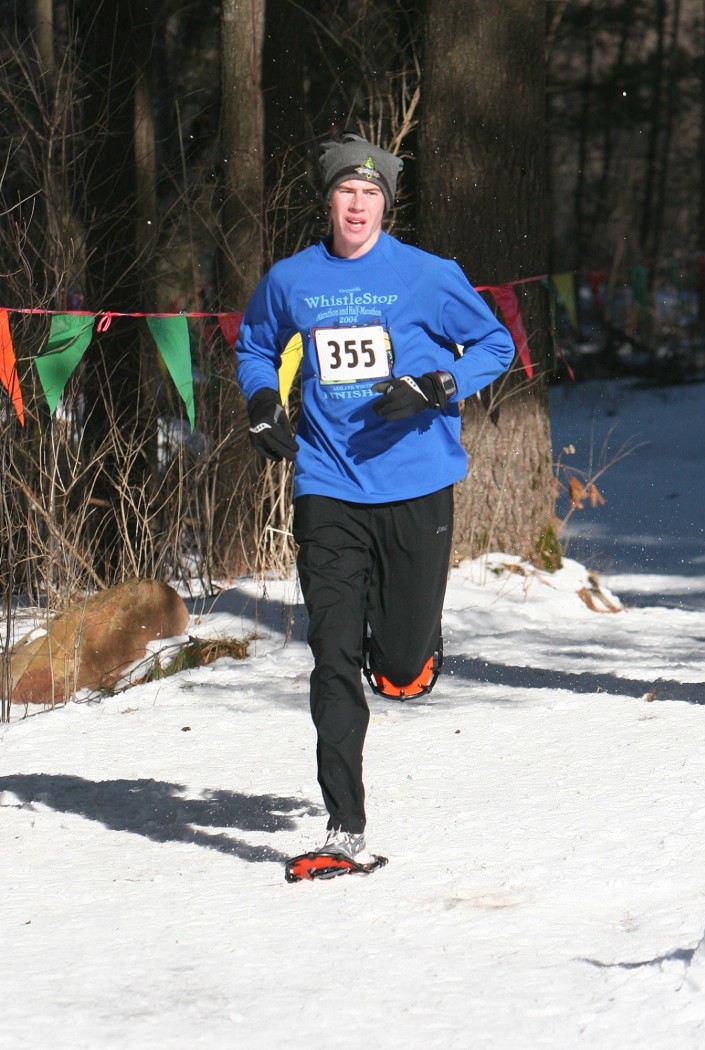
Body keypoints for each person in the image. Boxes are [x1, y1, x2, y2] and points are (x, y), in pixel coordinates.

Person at [235, 133, 515, 865]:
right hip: (326, 484)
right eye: (345, 192)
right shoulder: (292, 278)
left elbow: (495, 345)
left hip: (416, 486)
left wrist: (436, 386)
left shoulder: (428, 275)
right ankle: (345, 826)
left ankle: (404, 654)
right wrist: (264, 401)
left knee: (396, 669)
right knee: (331, 653)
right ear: (327, 199)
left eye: (371, 194)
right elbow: (256, 344)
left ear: (386, 204)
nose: (357, 206)